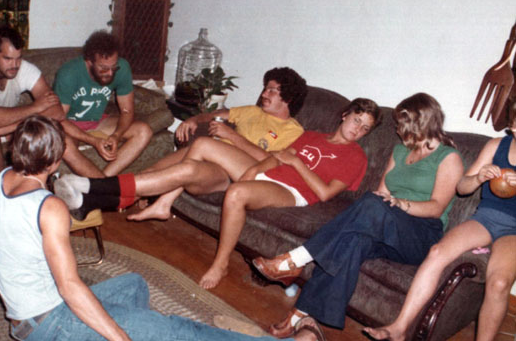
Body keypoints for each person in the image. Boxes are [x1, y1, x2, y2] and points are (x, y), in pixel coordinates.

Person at [0, 115, 332, 341]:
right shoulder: (49, 208)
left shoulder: (1, 181)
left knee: (133, 285)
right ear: (56, 160)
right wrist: (122, 340)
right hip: (53, 329)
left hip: (27, 322)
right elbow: (70, 287)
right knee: (181, 333)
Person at [252, 93, 464, 339]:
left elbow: (436, 208)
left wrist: (400, 204)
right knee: (351, 241)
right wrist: (388, 203)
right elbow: (382, 192)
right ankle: (300, 316)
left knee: (372, 204)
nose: (398, 130)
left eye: (402, 124)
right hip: (386, 223)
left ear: (421, 122)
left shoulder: (448, 157)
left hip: (420, 234)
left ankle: (295, 259)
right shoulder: (399, 151)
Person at [365, 98, 516, 341]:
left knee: (499, 283)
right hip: (486, 218)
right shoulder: (496, 145)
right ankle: (399, 327)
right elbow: (462, 187)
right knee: (437, 252)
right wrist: (478, 177)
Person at [55, 67, 308, 222]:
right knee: (152, 172)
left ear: (288, 98)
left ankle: (95, 189)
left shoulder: (293, 131)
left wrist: (233, 138)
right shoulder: (251, 111)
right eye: (265, 88)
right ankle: (92, 202)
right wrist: (195, 119)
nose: (264, 94)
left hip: (231, 173)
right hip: (204, 155)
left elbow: (271, 162)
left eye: (272, 90)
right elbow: (216, 114)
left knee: (193, 157)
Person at [197, 98, 380, 289]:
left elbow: (325, 193)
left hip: (291, 190)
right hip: (271, 174)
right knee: (204, 144)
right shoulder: (311, 136)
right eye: (356, 120)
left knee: (236, 193)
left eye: (365, 128)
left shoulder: (356, 157)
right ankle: (172, 199)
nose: (358, 129)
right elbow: (279, 157)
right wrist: (254, 170)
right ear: (345, 115)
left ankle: (220, 264)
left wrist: (296, 162)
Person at [0, 26, 101, 183]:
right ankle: (2, 191)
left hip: (7, 129)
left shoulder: (24, 69)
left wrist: (13, 127)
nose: (15, 65)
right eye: (7, 59)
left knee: (57, 133)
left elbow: (57, 112)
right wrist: (35, 107)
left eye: (18, 58)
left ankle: (107, 186)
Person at [53, 30, 152, 176]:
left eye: (113, 67)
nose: (110, 73)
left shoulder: (122, 68)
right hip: (70, 125)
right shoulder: (68, 73)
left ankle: (104, 180)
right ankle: (100, 183)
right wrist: (93, 141)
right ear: (89, 61)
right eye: (104, 68)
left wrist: (116, 136)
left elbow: (127, 111)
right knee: (65, 146)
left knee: (144, 131)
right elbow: (59, 119)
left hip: (98, 122)